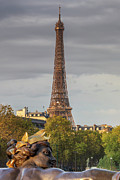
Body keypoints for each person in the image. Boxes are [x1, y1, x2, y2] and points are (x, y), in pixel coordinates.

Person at [0, 130, 119, 180]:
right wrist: (115, 175)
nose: (53, 159)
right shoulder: (41, 174)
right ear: (30, 153)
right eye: (46, 153)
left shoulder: (3, 172)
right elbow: (89, 174)